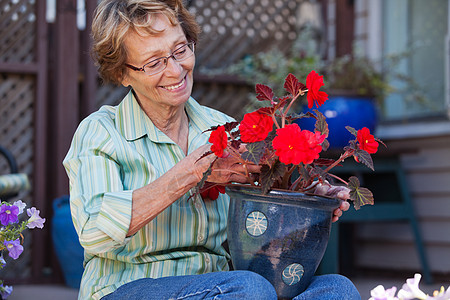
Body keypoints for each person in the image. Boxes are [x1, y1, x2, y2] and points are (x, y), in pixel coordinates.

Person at [63, 1, 360, 299]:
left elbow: (260, 212)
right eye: (154, 63)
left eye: (180, 50)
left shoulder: (221, 127)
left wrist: (304, 199)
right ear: (122, 74)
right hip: (128, 287)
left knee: (336, 289)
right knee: (248, 288)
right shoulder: (102, 131)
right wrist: (189, 173)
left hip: (222, 288)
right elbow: (93, 233)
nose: (176, 70)